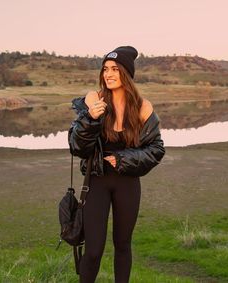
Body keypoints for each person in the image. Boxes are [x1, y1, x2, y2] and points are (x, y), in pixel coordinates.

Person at [68, 46, 165, 283]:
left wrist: (124, 159)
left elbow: (156, 149)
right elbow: (76, 147)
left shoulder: (142, 107)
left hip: (128, 183)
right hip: (96, 182)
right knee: (92, 250)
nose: (108, 74)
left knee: (122, 245)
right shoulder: (94, 101)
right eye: (105, 69)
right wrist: (90, 119)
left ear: (126, 73)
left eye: (114, 69)